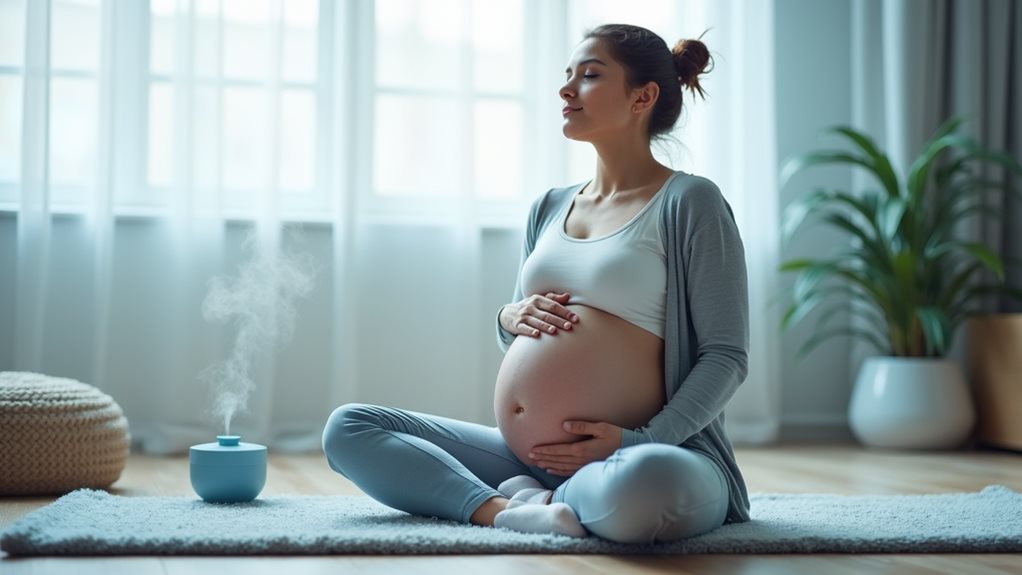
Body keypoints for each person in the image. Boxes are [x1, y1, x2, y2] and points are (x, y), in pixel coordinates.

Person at [322, 23, 750, 544]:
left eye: (589, 75)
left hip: (642, 454)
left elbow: (726, 354)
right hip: (522, 453)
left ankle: (532, 499)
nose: (566, 90)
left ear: (644, 96)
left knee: (645, 488)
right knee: (349, 428)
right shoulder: (549, 206)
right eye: (567, 76)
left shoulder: (690, 201)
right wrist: (508, 317)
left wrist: (640, 440)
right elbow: (518, 329)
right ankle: (510, 510)